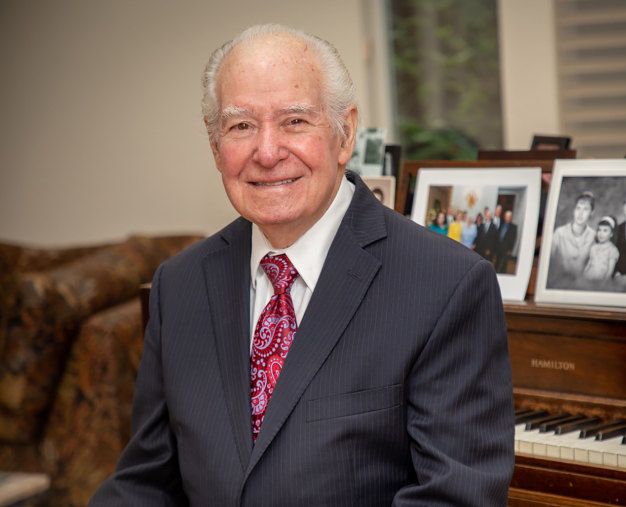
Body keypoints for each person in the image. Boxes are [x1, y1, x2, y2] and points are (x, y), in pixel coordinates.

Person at [89, 23, 514, 506]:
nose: (267, 152)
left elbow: (455, 498)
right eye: (241, 125)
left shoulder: (445, 284)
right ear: (214, 146)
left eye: (294, 121)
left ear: (344, 133)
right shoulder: (179, 285)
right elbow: (145, 483)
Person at [550, 191, 597, 278]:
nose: (580, 213)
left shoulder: (594, 236)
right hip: (558, 281)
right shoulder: (559, 233)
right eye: (578, 208)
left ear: (591, 213)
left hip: (580, 284)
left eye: (585, 209)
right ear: (574, 210)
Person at [583, 215, 620, 282]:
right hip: (589, 278)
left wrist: (603, 284)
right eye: (599, 230)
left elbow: (610, 271)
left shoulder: (612, 250)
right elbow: (589, 264)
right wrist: (584, 276)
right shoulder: (593, 248)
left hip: (601, 281)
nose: (601, 233)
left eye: (605, 231)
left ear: (611, 234)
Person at [495, 209, 518, 274]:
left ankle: (502, 274)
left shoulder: (513, 227)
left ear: (510, 217)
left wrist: (510, 249)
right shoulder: (501, 223)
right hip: (499, 246)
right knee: (497, 261)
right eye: (506, 216)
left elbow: (513, 239)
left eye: (508, 216)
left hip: (506, 248)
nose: (507, 217)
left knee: (504, 263)